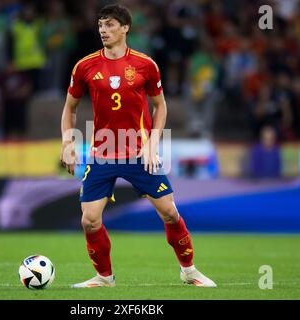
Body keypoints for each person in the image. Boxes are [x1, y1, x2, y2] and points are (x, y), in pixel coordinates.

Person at [60, 4, 216, 288]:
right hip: (102, 154)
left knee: (169, 212)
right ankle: (105, 278)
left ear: (125, 28)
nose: (103, 30)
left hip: (138, 153)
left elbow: (160, 106)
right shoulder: (85, 66)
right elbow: (70, 108)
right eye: (100, 25)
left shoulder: (145, 65)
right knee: (90, 221)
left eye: (109, 25)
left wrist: (152, 144)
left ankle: (189, 270)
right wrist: (68, 142)